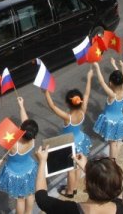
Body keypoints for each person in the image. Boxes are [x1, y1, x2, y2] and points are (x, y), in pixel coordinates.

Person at [42, 65, 93, 198]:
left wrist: (46, 93)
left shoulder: (67, 117)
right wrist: (89, 78)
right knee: (76, 168)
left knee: (70, 170)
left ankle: (70, 192)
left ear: (67, 103)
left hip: (70, 144)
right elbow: (87, 93)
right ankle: (74, 187)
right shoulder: (83, 110)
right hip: (81, 140)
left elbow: (53, 106)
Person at [35, 146, 123, 214]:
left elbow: (41, 199)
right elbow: (109, 186)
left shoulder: (69, 210)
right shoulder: (122, 207)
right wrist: (88, 169)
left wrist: (42, 162)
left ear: (86, 183)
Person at [0, 97, 38, 214]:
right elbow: (25, 121)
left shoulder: (14, 145)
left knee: (20, 199)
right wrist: (21, 106)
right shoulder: (32, 140)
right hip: (29, 169)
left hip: (17, 174)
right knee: (30, 194)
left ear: (21, 130)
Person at [92, 61, 123, 159]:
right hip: (119, 120)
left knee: (112, 144)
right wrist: (115, 66)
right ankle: (114, 158)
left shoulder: (112, 95)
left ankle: (112, 161)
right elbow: (120, 77)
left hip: (110, 122)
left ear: (110, 83)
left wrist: (97, 67)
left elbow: (101, 82)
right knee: (116, 142)